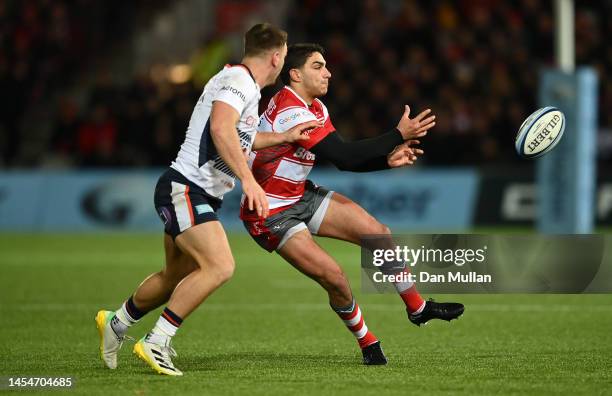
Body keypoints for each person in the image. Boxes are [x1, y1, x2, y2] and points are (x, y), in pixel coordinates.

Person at [95, 24, 320, 376]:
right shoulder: (239, 82)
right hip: (186, 188)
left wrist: (284, 136)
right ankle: (158, 340)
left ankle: (117, 322)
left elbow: (238, 137)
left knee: (174, 276)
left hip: (194, 191)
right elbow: (220, 128)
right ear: (276, 57)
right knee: (220, 266)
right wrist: (249, 182)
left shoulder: (243, 84)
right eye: (285, 54)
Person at [240, 43, 464, 365]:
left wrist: (386, 161)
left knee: (378, 232)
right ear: (295, 74)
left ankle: (417, 307)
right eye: (318, 66)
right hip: (270, 211)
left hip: (299, 194)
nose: (328, 72)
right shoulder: (292, 110)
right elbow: (344, 155)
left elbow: (342, 160)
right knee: (335, 277)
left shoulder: (315, 108)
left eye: (327, 66)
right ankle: (367, 341)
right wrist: (397, 134)